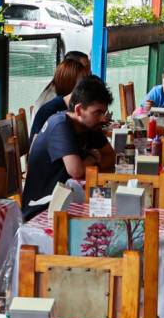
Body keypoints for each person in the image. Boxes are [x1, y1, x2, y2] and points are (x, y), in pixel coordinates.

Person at [21, 75, 116, 220]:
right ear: (78, 110)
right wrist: (92, 157)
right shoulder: (60, 124)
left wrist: (90, 162)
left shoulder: (90, 125)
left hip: (72, 200)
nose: (103, 118)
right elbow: (76, 170)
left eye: (104, 112)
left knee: (112, 217)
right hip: (44, 210)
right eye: (98, 112)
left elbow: (110, 156)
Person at [31, 58, 92, 142]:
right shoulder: (49, 110)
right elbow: (36, 147)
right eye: (83, 80)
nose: (86, 85)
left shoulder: (70, 104)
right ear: (69, 82)